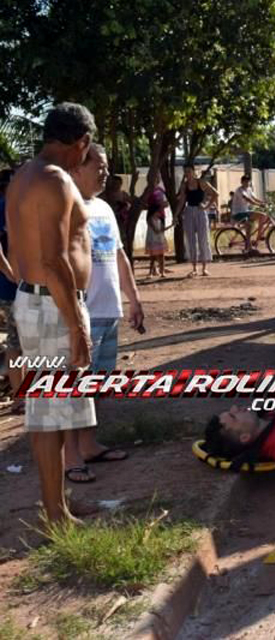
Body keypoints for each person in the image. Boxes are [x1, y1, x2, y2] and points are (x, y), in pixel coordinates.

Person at [5, 102, 98, 524]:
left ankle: (56, 503)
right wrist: (78, 327)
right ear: (81, 142)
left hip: (39, 301)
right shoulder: (55, 180)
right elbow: (56, 259)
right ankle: (54, 513)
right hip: (51, 305)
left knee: (54, 410)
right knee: (48, 413)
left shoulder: (24, 175)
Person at [61, 144, 145, 483]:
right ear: (78, 167)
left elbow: (120, 257)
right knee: (75, 388)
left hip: (108, 311)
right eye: (100, 165)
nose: (106, 172)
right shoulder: (65, 205)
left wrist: (134, 299)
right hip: (82, 313)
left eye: (107, 166)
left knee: (96, 385)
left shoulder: (104, 208)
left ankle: (90, 445)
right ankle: (71, 458)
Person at [0, 169, 25, 413]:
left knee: (24, 343)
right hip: (11, 289)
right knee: (16, 343)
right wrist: (13, 276)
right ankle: (20, 397)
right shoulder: (4, 207)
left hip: (23, 287)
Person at [174, 164, 217, 276]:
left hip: (200, 211)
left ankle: (204, 268)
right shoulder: (184, 185)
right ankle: (194, 268)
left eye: (189, 171)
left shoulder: (201, 182)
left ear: (193, 172)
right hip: (188, 211)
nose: (187, 174)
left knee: (203, 239)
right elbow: (182, 201)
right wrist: (176, 215)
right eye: (185, 172)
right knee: (191, 240)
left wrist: (206, 206)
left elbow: (215, 194)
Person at [230, 175, 267, 253]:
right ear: (241, 182)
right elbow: (248, 199)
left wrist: (264, 203)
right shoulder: (239, 190)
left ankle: (259, 236)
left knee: (263, 216)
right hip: (238, 213)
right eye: (245, 181)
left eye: (248, 181)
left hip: (245, 212)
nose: (247, 183)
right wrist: (259, 205)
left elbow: (254, 198)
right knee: (251, 225)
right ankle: (249, 248)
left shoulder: (249, 189)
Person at [145, 188, 172, 277]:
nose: (160, 213)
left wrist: (171, 225)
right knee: (153, 257)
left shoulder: (159, 220)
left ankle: (162, 271)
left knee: (161, 255)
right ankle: (151, 271)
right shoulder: (151, 220)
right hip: (153, 239)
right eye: (158, 211)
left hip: (159, 239)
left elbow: (161, 230)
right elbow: (157, 230)